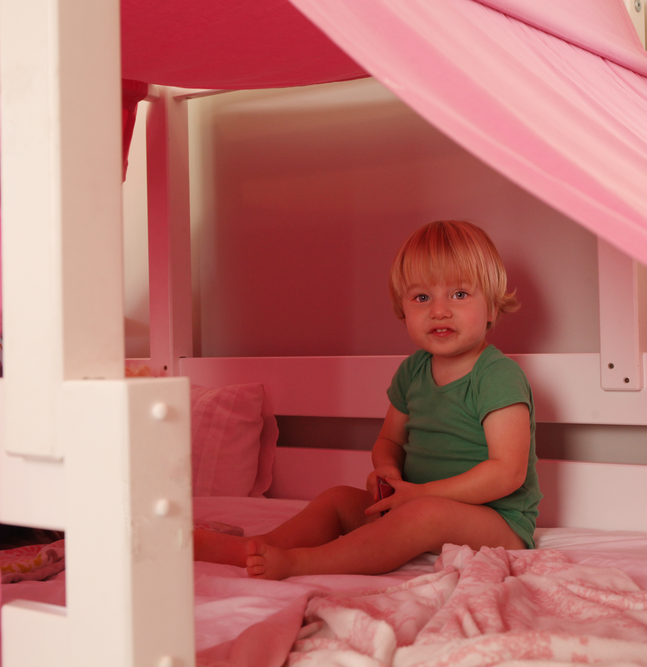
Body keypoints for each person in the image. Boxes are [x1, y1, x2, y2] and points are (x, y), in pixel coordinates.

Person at [193, 220, 542, 580]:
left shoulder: (497, 376)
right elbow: (390, 440)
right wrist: (388, 469)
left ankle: (301, 564)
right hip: (415, 503)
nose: (439, 310)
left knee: (426, 515)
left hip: (497, 522)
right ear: (403, 309)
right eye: (422, 297)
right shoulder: (413, 371)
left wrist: (421, 495)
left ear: (491, 306)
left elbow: (507, 473)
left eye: (459, 294)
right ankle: (260, 546)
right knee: (337, 500)